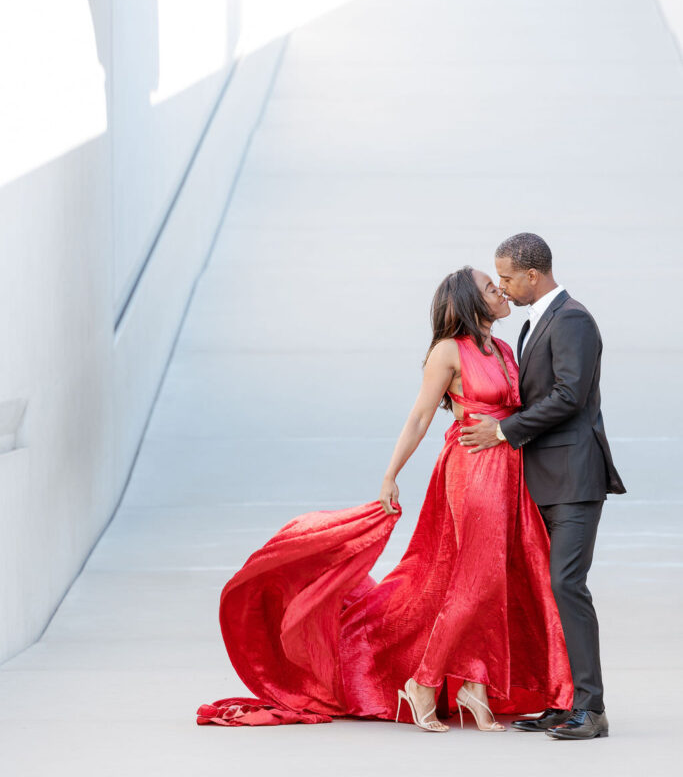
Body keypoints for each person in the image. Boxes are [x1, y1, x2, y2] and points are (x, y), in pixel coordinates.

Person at [198, 267, 573, 732]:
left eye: (498, 285)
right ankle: (423, 681)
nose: (500, 292)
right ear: (470, 302)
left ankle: (474, 681)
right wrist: (391, 475)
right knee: (475, 581)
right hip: (472, 467)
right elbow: (418, 417)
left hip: (508, 470)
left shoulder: (502, 348)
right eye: (490, 288)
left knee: (496, 578)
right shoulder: (447, 352)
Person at [460, 233, 626, 741]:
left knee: (566, 585)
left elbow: (570, 395)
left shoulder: (572, 319)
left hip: (574, 478)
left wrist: (504, 431)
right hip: (544, 479)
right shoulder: (537, 322)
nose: (504, 289)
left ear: (534, 274)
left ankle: (591, 710)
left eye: (507, 278)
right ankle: (564, 701)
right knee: (548, 589)